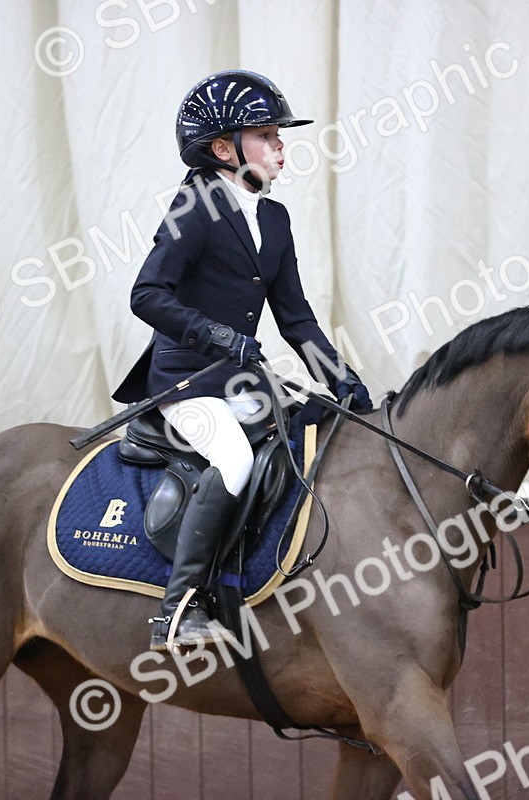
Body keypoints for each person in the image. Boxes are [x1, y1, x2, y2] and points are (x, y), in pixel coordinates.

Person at [111, 70, 373, 653]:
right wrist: (217, 336)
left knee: (309, 437)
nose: (281, 144)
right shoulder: (193, 207)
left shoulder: (273, 220)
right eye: (266, 134)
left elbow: (296, 318)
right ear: (223, 149)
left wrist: (346, 385)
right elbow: (147, 295)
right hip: (188, 384)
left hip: (244, 386)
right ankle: (179, 608)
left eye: (279, 134)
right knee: (231, 459)